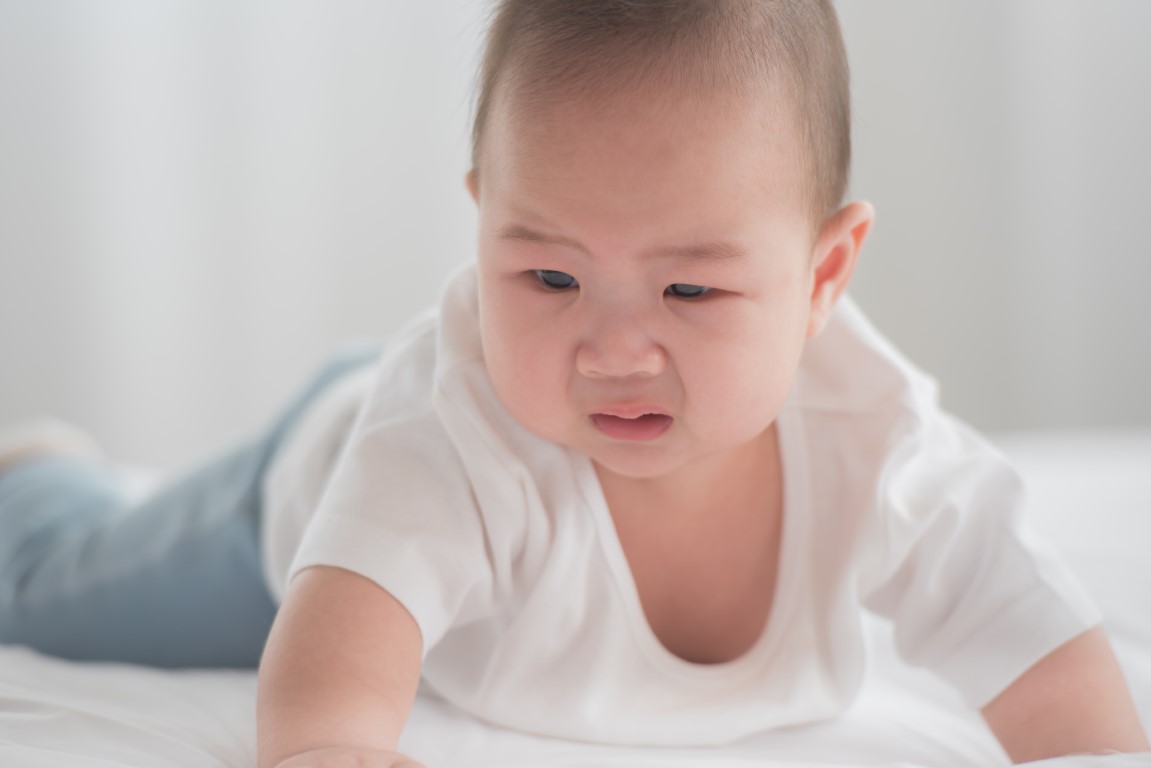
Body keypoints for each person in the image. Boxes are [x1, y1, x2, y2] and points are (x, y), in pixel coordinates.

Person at [1, 2, 1148, 767]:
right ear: (482, 221)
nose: (614, 351)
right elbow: (333, 670)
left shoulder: (882, 451)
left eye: (688, 294)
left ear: (821, 276)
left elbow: (1052, 671)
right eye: (548, 273)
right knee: (62, 582)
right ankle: (38, 480)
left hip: (403, 420)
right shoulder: (452, 439)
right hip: (312, 490)